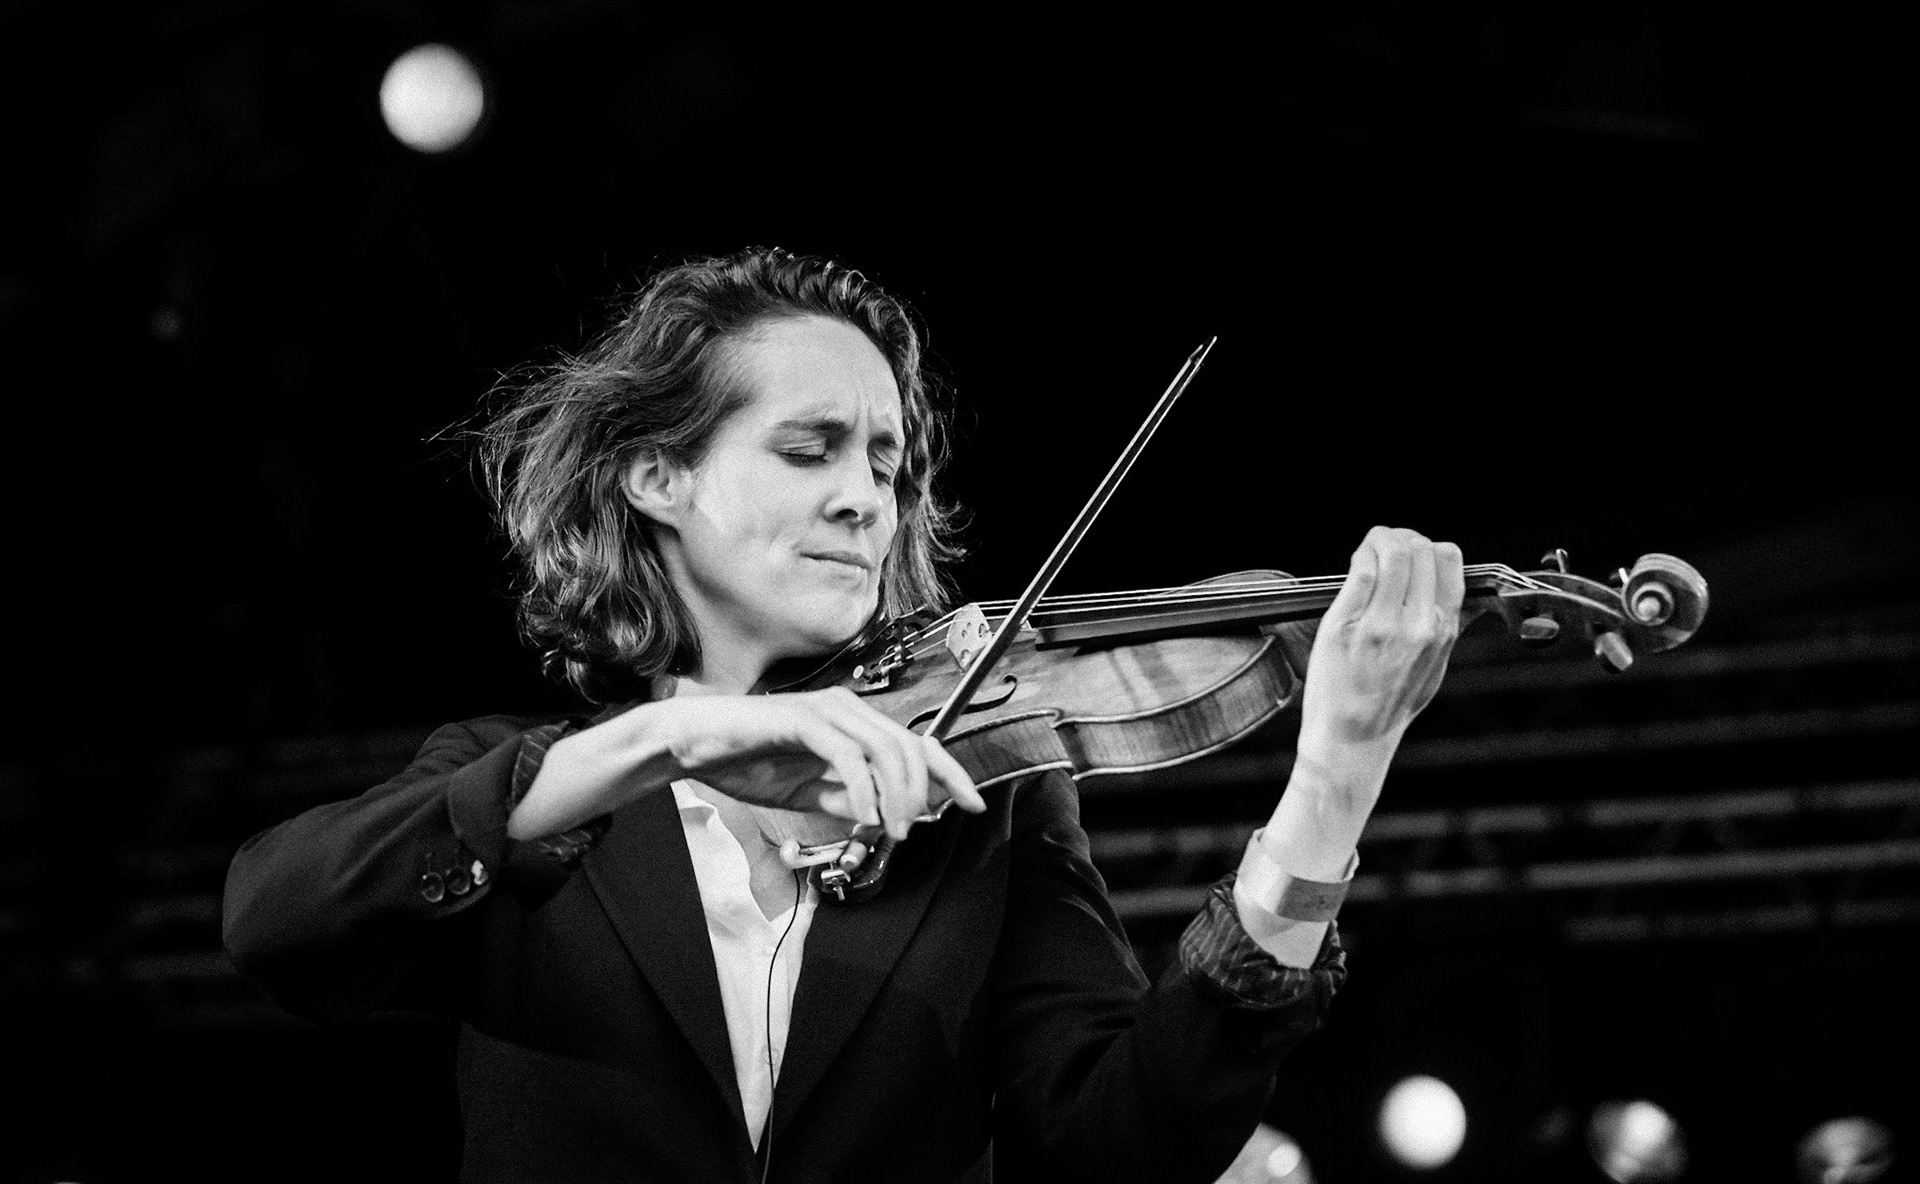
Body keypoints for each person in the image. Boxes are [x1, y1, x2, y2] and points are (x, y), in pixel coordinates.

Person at [222, 247, 1465, 1184]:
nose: (867, 497)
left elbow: (1115, 1150)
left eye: (886, 461)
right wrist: (664, 740)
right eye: (811, 448)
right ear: (659, 475)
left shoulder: (984, 807)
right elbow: (276, 918)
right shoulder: (521, 783)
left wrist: (1333, 786)